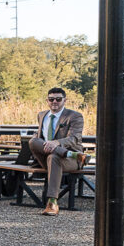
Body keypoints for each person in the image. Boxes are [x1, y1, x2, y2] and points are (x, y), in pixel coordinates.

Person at [28, 87, 88, 216]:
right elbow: (40, 136)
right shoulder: (42, 115)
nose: (54, 101)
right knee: (33, 141)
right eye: (51, 99)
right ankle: (70, 153)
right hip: (45, 157)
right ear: (47, 100)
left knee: (54, 157)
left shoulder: (74, 116)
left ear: (64, 100)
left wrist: (57, 143)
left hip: (70, 161)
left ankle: (52, 202)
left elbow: (75, 138)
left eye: (58, 99)